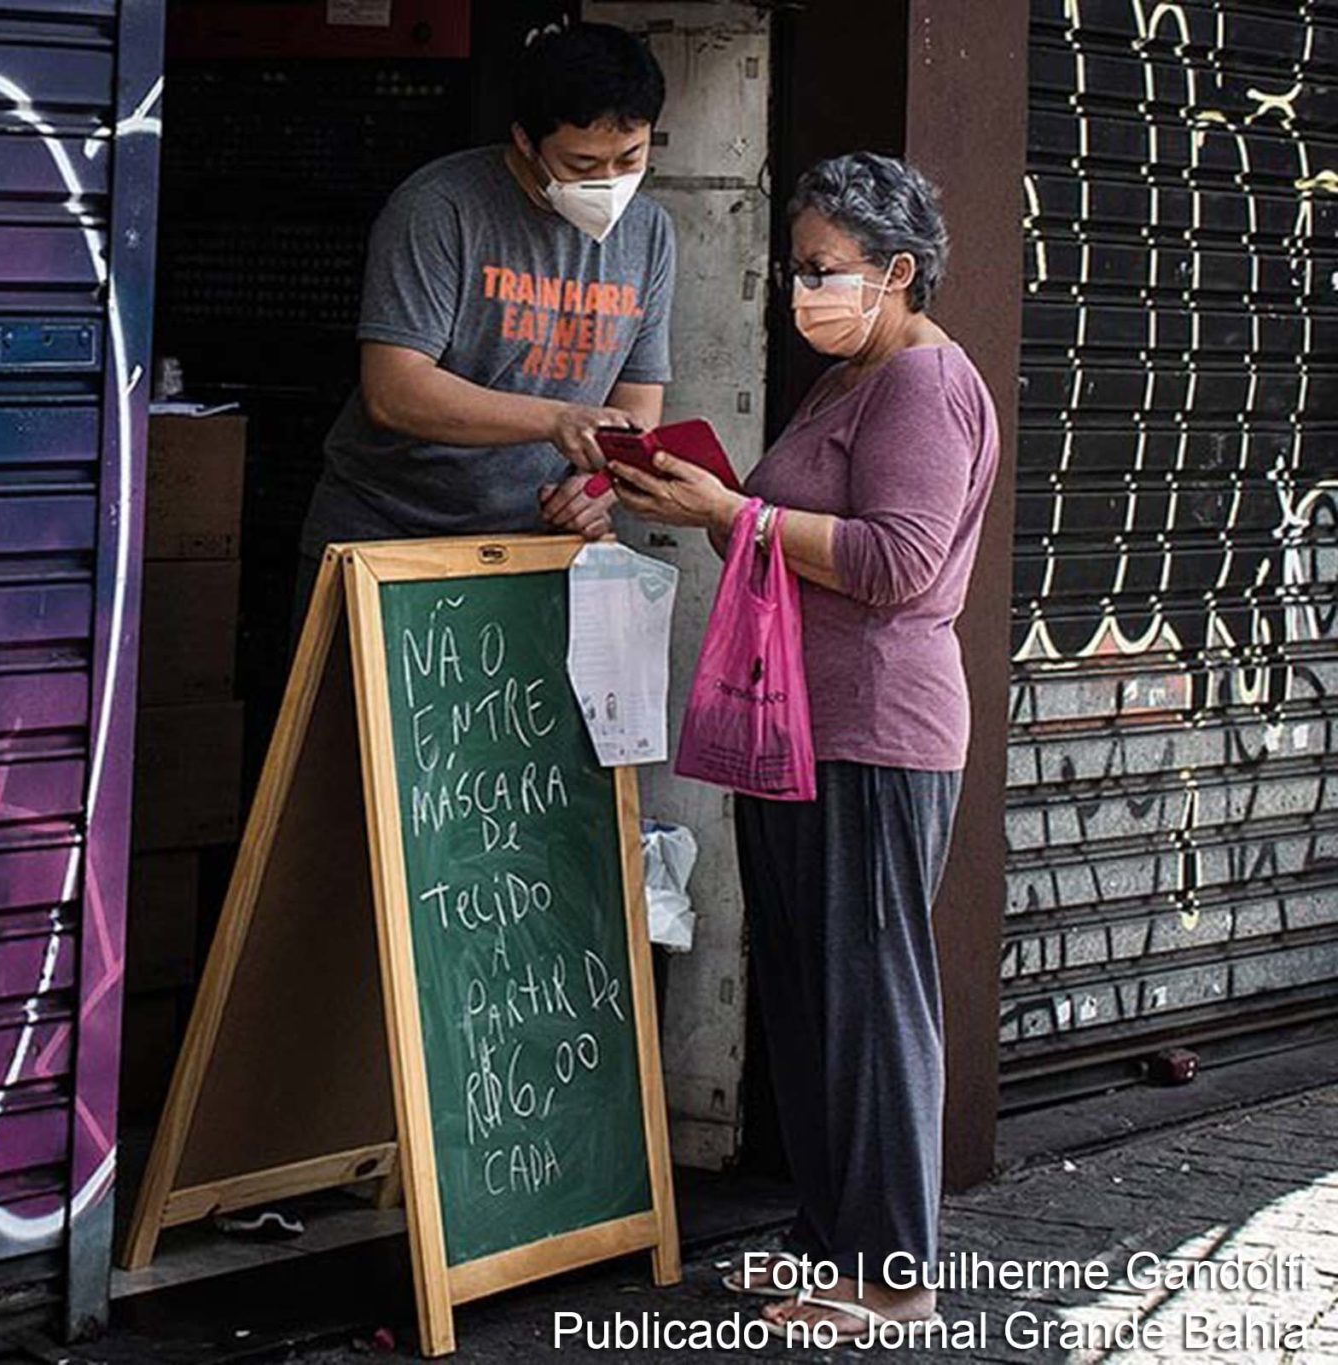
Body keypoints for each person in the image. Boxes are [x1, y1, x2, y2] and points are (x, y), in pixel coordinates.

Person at [607, 152, 1000, 1336]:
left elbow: (893, 565)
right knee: (808, 996)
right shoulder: (846, 382)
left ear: (897, 272)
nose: (801, 290)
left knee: (872, 1002)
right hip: (798, 725)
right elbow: (793, 544)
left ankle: (892, 1279)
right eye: (795, 267)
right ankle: (828, 1242)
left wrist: (731, 513)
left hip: (875, 733)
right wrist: (700, 501)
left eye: (824, 270)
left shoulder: (923, 387)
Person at [294, 21, 676, 620]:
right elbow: (394, 393)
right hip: (389, 538)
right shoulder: (439, 208)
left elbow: (636, 406)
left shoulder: (650, 232)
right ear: (525, 141)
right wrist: (557, 420)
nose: (608, 182)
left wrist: (596, 490)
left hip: (535, 545)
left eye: (629, 158)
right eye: (580, 164)